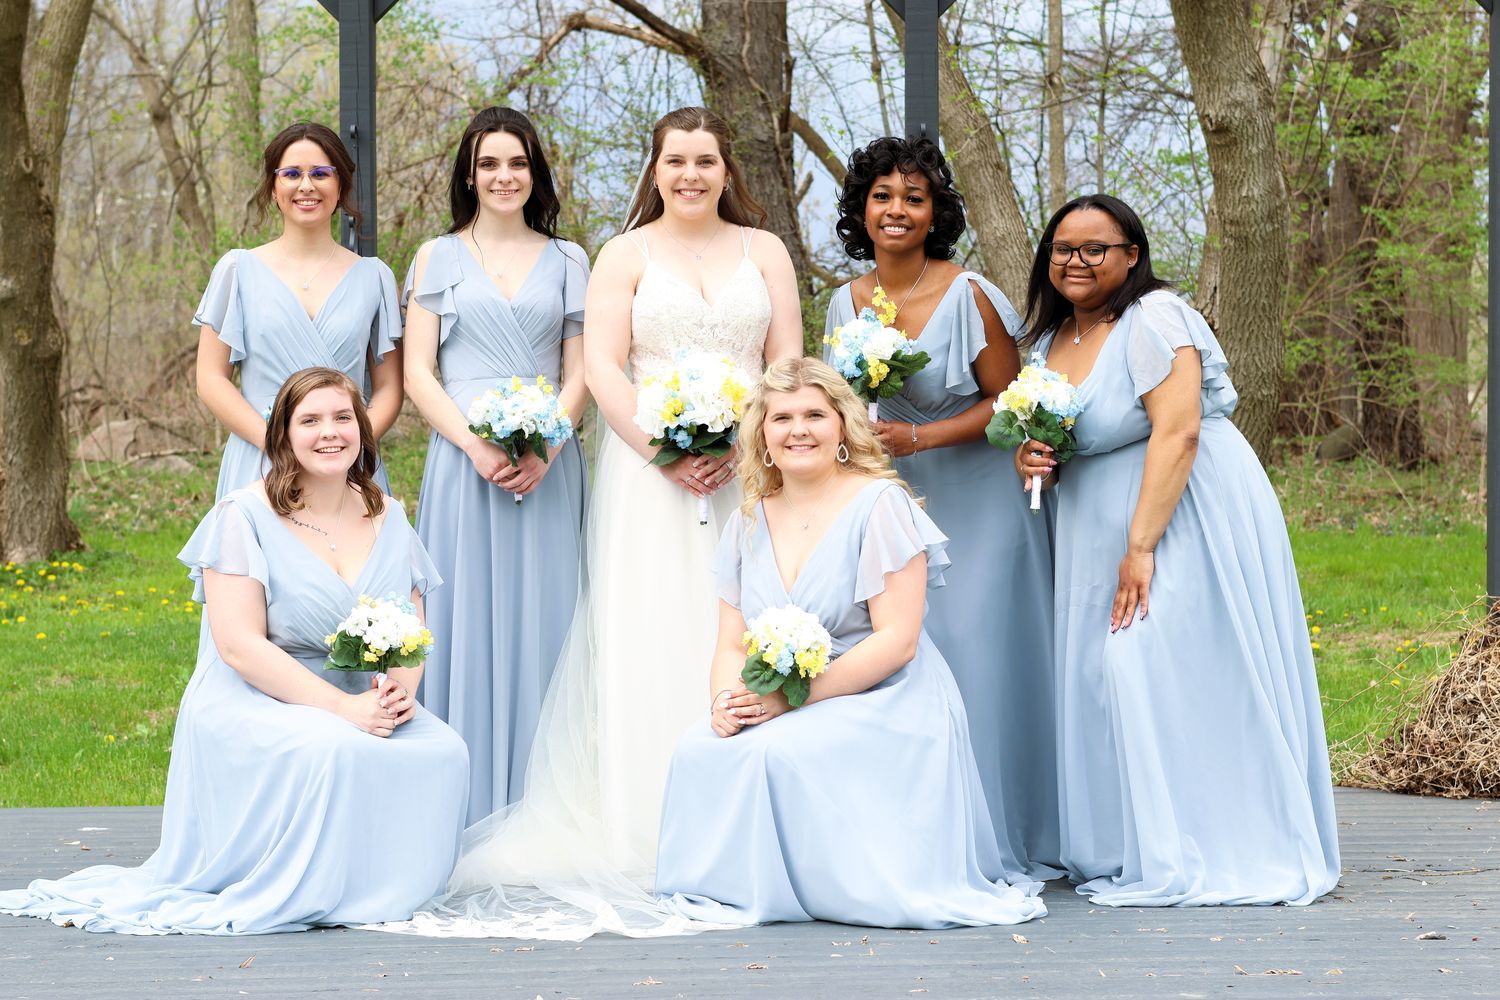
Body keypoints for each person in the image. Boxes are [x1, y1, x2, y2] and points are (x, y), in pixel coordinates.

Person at [378, 106, 802, 941]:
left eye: (705, 160)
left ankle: (745, 804)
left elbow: (784, 360)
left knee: (751, 621)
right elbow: (606, 366)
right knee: (647, 626)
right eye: (675, 160)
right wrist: (665, 450)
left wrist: (751, 445)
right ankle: (646, 813)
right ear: (654, 168)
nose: (690, 174)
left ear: (726, 170)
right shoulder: (621, 253)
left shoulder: (768, 251)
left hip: (749, 467)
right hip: (648, 473)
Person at [0, 368, 468, 934]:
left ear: (364, 430)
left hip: (359, 697)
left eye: (344, 418)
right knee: (333, 747)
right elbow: (238, 646)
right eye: (310, 420)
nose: (331, 432)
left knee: (445, 748)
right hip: (256, 695)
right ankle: (317, 890)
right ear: (283, 435)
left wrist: (398, 693)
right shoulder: (243, 517)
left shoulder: (389, 515)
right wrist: (343, 709)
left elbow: (411, 628)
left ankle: (385, 889)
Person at [1015, 194, 1340, 906]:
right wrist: (1035, 457)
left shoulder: (1154, 318)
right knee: (1103, 678)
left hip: (1182, 514)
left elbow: (1179, 432)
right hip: (1094, 522)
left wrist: (1142, 547)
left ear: (1132, 254)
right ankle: (1123, 842)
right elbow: (1075, 436)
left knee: (1152, 666)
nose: (1076, 260)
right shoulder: (1048, 343)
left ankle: (1214, 841)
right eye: (1063, 247)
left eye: (1095, 248)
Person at [654, 358, 1047, 929]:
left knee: (774, 750)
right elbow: (731, 644)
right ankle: (734, 890)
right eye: (781, 417)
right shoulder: (746, 521)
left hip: (884, 697)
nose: (799, 429)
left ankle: (814, 891)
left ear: (843, 425)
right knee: (699, 746)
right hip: (783, 695)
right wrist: (725, 703)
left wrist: (788, 701)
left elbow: (898, 642)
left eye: (815, 414)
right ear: (761, 435)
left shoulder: (880, 505)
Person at [824, 136, 1058, 874]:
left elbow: (1009, 402)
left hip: (980, 503)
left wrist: (920, 438)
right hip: (889, 506)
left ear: (936, 215)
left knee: (975, 658)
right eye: (884, 197)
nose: (897, 210)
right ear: (862, 209)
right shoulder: (844, 301)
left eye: (914, 199)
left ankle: (998, 834)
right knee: (901, 661)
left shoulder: (971, 295)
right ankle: (916, 834)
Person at [403, 107, 590, 821]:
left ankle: (547, 805)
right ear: (469, 175)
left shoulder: (571, 260)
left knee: (552, 617)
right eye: (489, 164)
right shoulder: (434, 257)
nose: (504, 176)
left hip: (549, 465)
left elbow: (579, 374)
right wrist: (476, 446)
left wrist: (548, 446)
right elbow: (420, 373)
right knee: (460, 620)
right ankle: (464, 800)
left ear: (535, 173)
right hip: (462, 465)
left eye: (517, 163)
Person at [195, 122, 403, 500]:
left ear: (340, 186)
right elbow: (210, 378)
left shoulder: (374, 277)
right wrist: (278, 446)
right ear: (274, 188)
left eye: (321, 173)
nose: (306, 186)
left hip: (345, 465)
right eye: (291, 174)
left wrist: (349, 447)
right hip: (261, 458)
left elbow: (390, 387)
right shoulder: (237, 270)